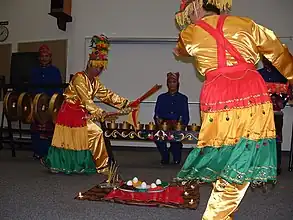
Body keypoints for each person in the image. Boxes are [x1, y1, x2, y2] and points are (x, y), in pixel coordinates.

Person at [173, 0, 293, 219]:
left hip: (218, 95)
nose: (188, 19)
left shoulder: (191, 32)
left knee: (226, 152)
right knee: (243, 153)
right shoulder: (245, 24)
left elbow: (181, 49)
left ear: (197, 7)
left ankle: (216, 215)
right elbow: (278, 51)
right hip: (251, 92)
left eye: (188, 14)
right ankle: (223, 212)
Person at [42, 35, 135, 175]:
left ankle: (81, 165)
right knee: (93, 133)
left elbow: (107, 95)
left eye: (101, 68)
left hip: (82, 112)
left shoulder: (95, 81)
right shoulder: (79, 78)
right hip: (70, 112)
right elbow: (86, 100)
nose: (98, 70)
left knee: (82, 138)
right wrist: (100, 113)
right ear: (90, 64)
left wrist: (126, 103)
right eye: (96, 67)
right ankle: (102, 167)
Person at [258, 57, 291, 176]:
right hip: (260, 113)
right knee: (260, 139)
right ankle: (260, 165)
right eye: (265, 59)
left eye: (270, 59)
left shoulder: (281, 76)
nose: (268, 62)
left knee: (276, 140)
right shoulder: (258, 75)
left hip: (276, 113)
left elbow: (288, 91)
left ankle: (276, 166)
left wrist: (283, 101)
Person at [29, 45, 63, 160]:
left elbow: (59, 88)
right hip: (36, 104)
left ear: (50, 58)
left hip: (50, 104)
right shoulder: (34, 71)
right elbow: (30, 88)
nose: (44, 58)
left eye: (46, 56)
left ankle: (49, 153)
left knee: (50, 129)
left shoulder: (55, 71)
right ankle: (38, 151)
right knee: (36, 128)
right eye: (42, 56)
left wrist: (53, 102)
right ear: (39, 58)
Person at [154, 72, 190, 164]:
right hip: (164, 125)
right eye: (170, 82)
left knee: (176, 142)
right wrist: (159, 122)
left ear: (177, 83)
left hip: (177, 125)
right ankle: (165, 156)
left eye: (174, 82)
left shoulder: (183, 98)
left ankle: (176, 154)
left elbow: (185, 115)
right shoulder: (161, 98)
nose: (172, 84)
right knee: (158, 138)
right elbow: (157, 113)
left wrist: (181, 126)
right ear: (167, 84)